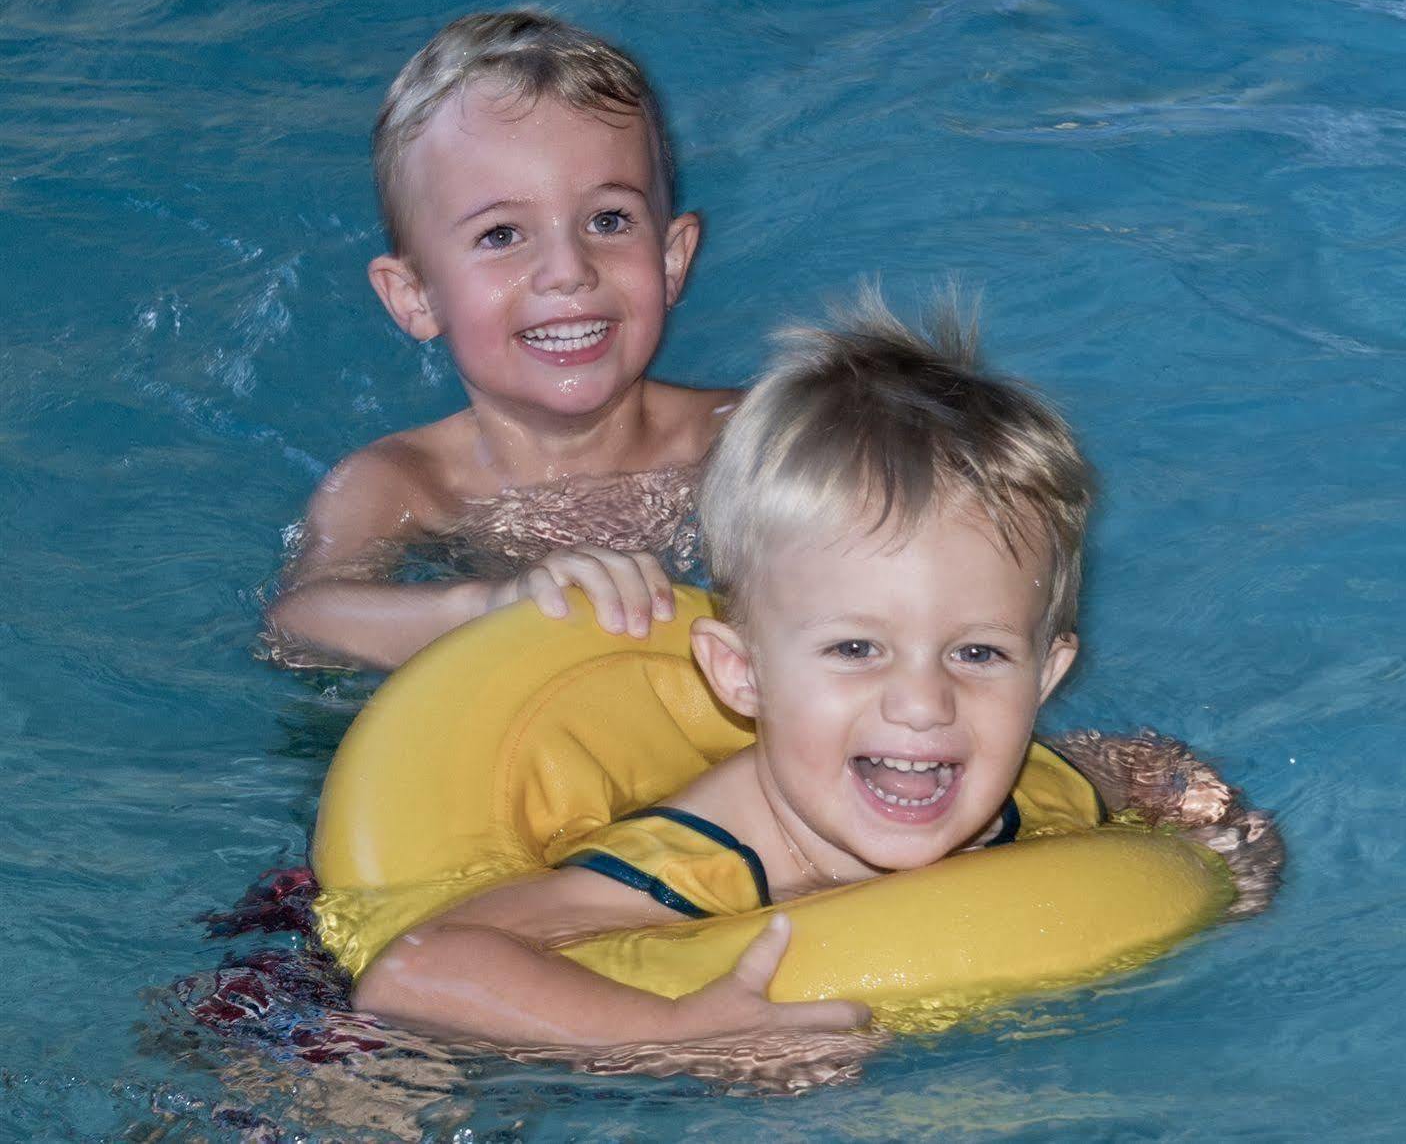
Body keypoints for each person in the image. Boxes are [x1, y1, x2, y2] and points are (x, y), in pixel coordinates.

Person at [348, 295, 1283, 1053]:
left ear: (1047, 673)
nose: (923, 704)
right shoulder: (681, 867)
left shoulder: (1024, 785)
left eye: (978, 652)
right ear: (739, 673)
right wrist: (678, 1029)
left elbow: (1139, 765)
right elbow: (418, 971)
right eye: (855, 647)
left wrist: (1226, 833)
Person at [267, 11, 731, 670]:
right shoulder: (407, 483)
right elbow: (298, 622)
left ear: (670, 258)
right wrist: (484, 608)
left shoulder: (743, 441)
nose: (568, 269)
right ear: (416, 296)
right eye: (501, 235)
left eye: (608, 219)